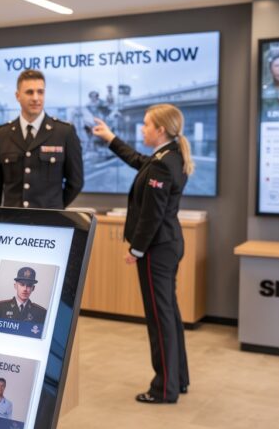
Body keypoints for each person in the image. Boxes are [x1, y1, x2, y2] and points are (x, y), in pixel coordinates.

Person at [91, 103, 191, 404]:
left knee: (160, 319)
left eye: (146, 124)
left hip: (156, 249)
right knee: (169, 315)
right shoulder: (168, 156)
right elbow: (137, 160)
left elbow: (152, 214)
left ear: (160, 129)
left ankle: (163, 388)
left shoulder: (164, 162)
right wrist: (110, 138)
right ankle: (178, 379)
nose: (142, 129)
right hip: (167, 245)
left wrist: (136, 249)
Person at [0, 69, 83, 209]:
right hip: (13, 222)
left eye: (40, 92)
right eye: (29, 92)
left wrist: (55, 207)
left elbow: (76, 182)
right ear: (18, 96)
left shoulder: (64, 132)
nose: (36, 98)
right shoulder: (2, 134)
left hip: (48, 223)